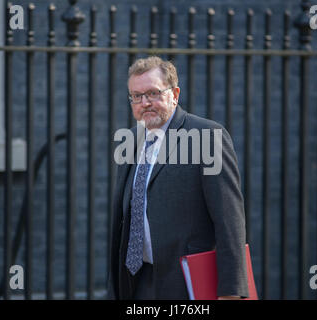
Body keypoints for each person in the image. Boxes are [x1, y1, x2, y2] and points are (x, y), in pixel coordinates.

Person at [107, 56, 249, 300]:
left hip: (187, 284)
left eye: (153, 93)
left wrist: (231, 292)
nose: (145, 102)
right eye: (137, 96)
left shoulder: (206, 136)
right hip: (137, 282)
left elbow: (230, 221)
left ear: (174, 94)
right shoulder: (130, 140)